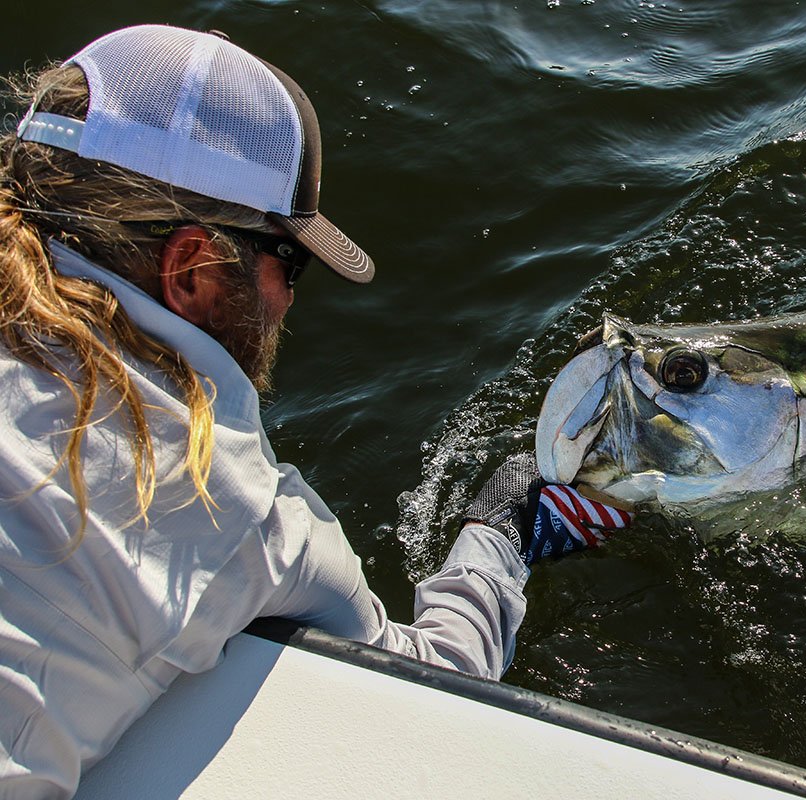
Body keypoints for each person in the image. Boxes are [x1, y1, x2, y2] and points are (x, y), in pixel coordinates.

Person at [0, 25, 630, 798]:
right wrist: (499, 534)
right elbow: (431, 686)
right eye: (287, 263)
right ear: (192, 268)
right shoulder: (230, 505)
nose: (287, 301)